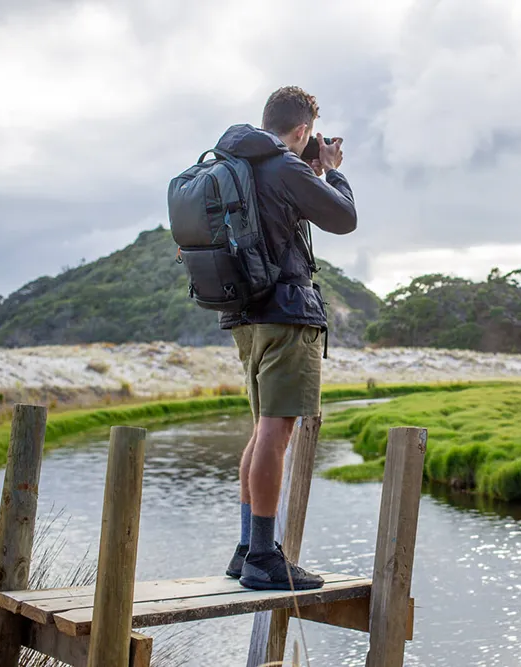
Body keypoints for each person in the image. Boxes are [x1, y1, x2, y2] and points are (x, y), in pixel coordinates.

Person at [216, 86, 357, 590]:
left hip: (244, 318)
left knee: (261, 431)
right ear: (302, 131)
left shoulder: (237, 165)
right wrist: (333, 170)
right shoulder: (285, 166)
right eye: (309, 135)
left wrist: (309, 172)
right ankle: (263, 558)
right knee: (276, 434)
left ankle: (245, 548)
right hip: (285, 315)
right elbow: (344, 219)